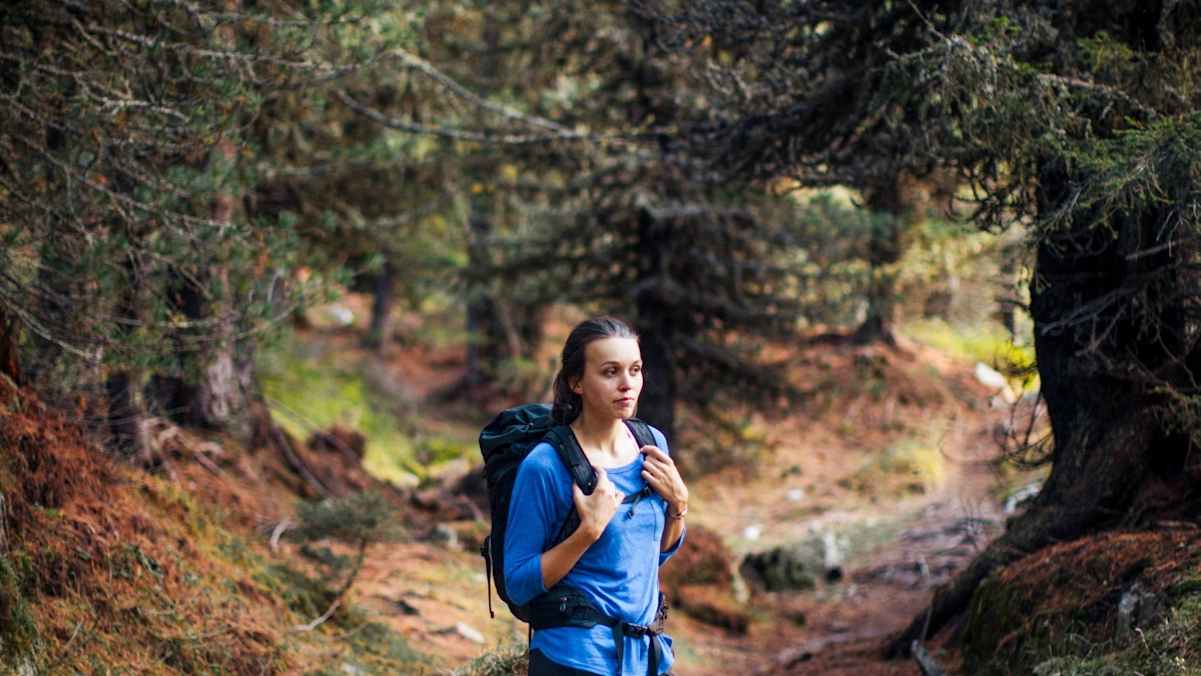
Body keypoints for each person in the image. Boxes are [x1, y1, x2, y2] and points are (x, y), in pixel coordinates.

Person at [504, 316, 689, 675]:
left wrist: (679, 506)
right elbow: (518, 583)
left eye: (635, 370)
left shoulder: (651, 445)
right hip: (574, 659)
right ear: (576, 382)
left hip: (644, 658)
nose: (627, 384)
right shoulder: (546, 465)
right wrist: (587, 531)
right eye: (610, 372)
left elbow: (650, 556)